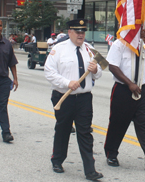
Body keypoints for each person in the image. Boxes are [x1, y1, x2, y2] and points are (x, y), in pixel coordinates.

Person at [44, 19, 103, 181]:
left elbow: (101, 71)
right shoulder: (59, 49)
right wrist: (67, 82)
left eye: (83, 32)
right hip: (64, 98)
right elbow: (49, 72)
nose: (81, 35)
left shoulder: (90, 50)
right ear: (69, 32)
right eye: (77, 32)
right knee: (63, 130)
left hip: (84, 98)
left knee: (85, 132)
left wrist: (96, 69)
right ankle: (57, 160)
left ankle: (90, 170)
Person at [104, 28, 145, 172]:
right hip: (123, 90)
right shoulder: (119, 44)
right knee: (118, 124)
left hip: (142, 91)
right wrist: (129, 83)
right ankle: (111, 153)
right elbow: (112, 66)